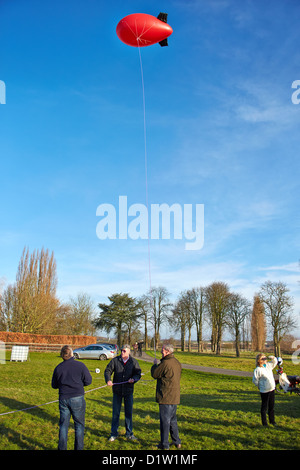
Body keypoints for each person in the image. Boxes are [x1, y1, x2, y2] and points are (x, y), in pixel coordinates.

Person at [51, 345, 92, 450]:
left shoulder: (58, 368)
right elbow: (88, 381)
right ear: (72, 354)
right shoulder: (80, 366)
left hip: (64, 399)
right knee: (79, 426)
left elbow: (54, 385)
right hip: (77, 398)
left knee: (63, 426)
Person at [104, 344, 141, 441]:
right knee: (115, 413)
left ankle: (129, 434)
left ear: (129, 351)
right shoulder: (115, 360)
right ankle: (113, 434)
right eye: (122, 350)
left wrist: (134, 379)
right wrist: (108, 380)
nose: (122, 352)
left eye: (124, 351)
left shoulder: (133, 362)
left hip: (128, 391)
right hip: (117, 391)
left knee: (128, 413)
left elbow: (138, 373)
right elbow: (108, 370)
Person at [151, 343, 182, 450]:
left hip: (166, 397)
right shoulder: (177, 363)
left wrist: (155, 365)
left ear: (168, 351)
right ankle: (177, 441)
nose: (161, 351)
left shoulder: (165, 363)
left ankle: (164, 445)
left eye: (163, 350)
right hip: (175, 397)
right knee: (173, 421)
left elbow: (155, 374)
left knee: (165, 422)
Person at [252, 353, 278, 427]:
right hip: (264, 391)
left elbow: (274, 362)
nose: (265, 360)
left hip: (271, 388)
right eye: (263, 359)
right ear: (259, 361)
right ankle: (264, 423)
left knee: (271, 406)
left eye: (265, 358)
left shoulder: (268, 366)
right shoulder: (258, 369)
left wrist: (272, 357)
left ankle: (272, 421)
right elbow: (255, 380)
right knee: (264, 407)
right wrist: (260, 386)